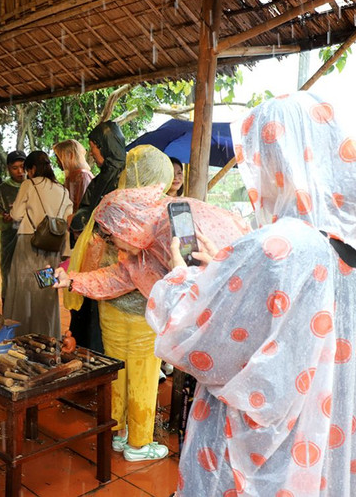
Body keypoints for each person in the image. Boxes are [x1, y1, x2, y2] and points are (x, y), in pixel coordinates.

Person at [146, 92, 356, 496]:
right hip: (322, 441)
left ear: (279, 159)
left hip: (255, 459)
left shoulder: (282, 246)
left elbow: (198, 340)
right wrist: (231, 271)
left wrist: (183, 276)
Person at [54, 184, 249, 462]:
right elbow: (120, 276)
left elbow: (204, 289)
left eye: (110, 237)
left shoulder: (179, 229)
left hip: (226, 328)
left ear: (126, 224)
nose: (113, 246)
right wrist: (72, 280)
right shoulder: (146, 242)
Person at [66, 121, 127, 352]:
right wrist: (80, 218)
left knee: (102, 310)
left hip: (114, 257)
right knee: (89, 308)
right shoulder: (101, 179)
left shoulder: (126, 177)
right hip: (93, 254)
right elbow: (87, 209)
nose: (92, 154)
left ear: (104, 146)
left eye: (94, 148)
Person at [5, 151, 72, 338]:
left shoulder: (29, 184)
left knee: (24, 290)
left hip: (29, 243)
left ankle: (21, 336)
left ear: (32, 169)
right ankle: (47, 336)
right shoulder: (63, 190)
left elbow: (16, 214)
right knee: (45, 292)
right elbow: (66, 221)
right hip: (52, 247)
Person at [0, 151, 26, 303]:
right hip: (9, 242)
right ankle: (9, 312)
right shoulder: (1, 191)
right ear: (8, 169)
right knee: (9, 278)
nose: (20, 171)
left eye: (23, 167)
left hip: (33, 242)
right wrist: (7, 219)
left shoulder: (34, 186)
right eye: (15, 168)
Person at [52, 139, 93, 216]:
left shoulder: (83, 176)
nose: (57, 161)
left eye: (59, 157)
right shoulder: (71, 177)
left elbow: (82, 209)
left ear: (70, 155)